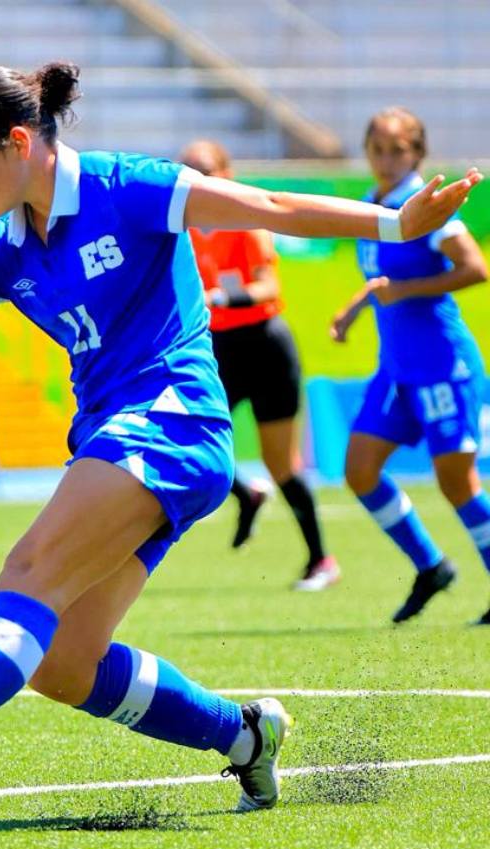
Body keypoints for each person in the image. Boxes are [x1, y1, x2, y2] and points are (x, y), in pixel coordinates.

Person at [0, 64, 480, 808]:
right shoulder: (5, 247)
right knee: (65, 667)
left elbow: (264, 205)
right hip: (123, 441)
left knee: (31, 566)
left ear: (17, 143)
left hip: (172, 421)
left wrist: (396, 224)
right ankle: (245, 737)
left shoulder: (128, 186)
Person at [331, 107, 490, 625]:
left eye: (396, 150)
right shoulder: (374, 206)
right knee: (358, 469)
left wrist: (405, 290)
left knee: (456, 482)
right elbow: (384, 281)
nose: (385, 159)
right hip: (397, 368)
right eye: (376, 149)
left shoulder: (429, 206)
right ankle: (431, 565)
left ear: (417, 154)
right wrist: (355, 309)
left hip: (442, 365)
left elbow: (475, 269)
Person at [180, 140, 338, 591]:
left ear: (227, 174)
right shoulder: (181, 230)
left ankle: (320, 560)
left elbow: (268, 287)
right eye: (187, 170)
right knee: (188, 439)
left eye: (205, 170)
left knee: (281, 463)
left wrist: (218, 298)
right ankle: (246, 494)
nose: (197, 179)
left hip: (265, 347)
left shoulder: (245, 223)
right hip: (219, 350)